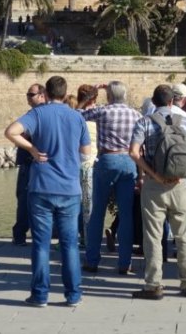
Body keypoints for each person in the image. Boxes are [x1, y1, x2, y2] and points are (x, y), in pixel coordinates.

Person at [5, 75, 92, 307]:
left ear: (46, 92)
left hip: (41, 186)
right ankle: (73, 294)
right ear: (65, 93)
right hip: (69, 188)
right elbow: (86, 154)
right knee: (70, 245)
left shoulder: (37, 114)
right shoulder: (77, 117)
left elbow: (11, 131)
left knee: (41, 245)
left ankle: (40, 295)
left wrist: (33, 149)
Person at [129, 84, 186, 300]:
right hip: (179, 184)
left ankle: (153, 284)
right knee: (183, 235)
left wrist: (152, 174)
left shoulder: (144, 122)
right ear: (172, 101)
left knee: (153, 236)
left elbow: (134, 152)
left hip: (155, 185)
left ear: (154, 102)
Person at [81, 80, 141, 275]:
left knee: (97, 212)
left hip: (107, 160)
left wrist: (90, 93)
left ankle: (92, 260)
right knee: (126, 215)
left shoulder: (103, 111)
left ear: (109, 96)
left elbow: (76, 115)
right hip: (129, 162)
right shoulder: (135, 114)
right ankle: (125, 263)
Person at [12, 83, 45, 246]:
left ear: (42, 95)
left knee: (24, 199)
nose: (27, 96)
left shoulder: (34, 115)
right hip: (32, 162)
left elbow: (18, 133)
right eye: (27, 93)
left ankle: (20, 235)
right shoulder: (35, 114)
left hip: (29, 162)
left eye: (31, 94)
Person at [74, 84, 100, 248]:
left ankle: (76, 238)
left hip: (75, 164)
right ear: (94, 99)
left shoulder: (74, 115)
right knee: (90, 205)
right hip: (93, 164)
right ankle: (89, 239)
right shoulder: (100, 115)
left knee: (75, 203)